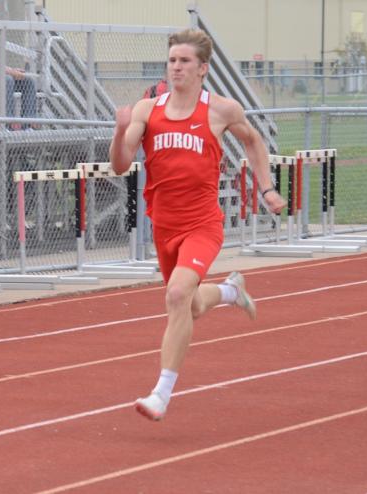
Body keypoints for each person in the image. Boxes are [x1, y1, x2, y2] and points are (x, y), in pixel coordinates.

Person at [109, 28, 287, 421]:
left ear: (202, 68)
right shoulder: (147, 110)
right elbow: (120, 166)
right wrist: (121, 130)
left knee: (175, 297)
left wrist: (268, 189)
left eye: (185, 61)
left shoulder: (221, 110)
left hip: (203, 224)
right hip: (164, 226)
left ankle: (161, 393)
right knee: (187, 303)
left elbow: (254, 142)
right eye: (172, 60)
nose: (176, 67)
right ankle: (228, 292)